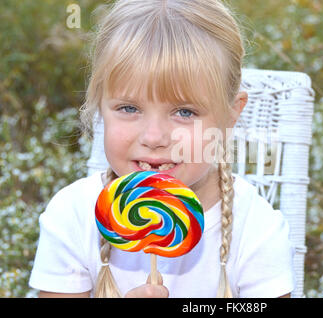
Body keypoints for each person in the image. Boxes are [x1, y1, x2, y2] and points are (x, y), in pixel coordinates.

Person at [29, 0, 294, 298]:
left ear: (231, 114)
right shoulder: (72, 216)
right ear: (101, 107)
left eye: (184, 112)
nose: (154, 137)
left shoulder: (257, 230)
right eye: (129, 108)